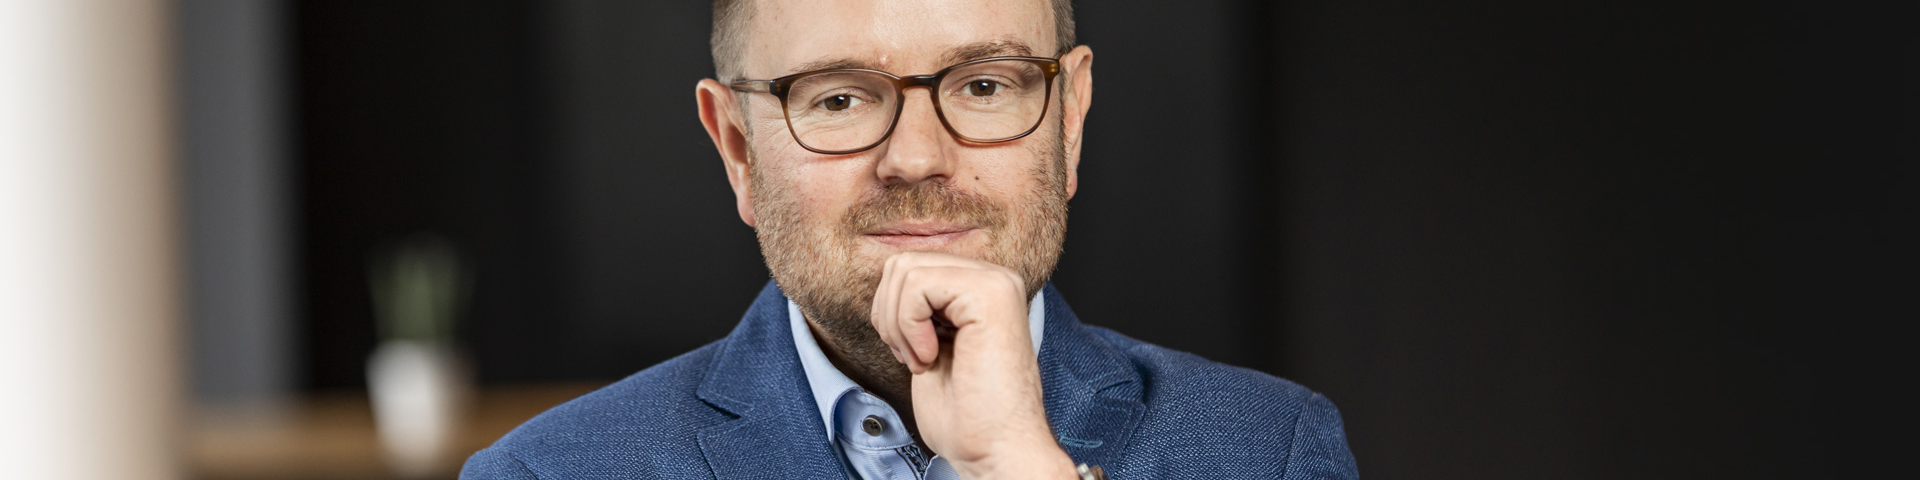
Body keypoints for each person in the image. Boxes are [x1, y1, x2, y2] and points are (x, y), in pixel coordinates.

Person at [462, 0, 1358, 478]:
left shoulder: (1269, 452)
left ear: (1070, 121)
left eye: (985, 86)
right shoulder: (548, 475)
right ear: (737, 149)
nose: (919, 158)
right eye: (839, 98)